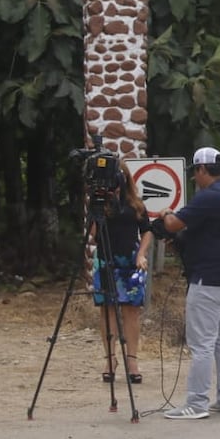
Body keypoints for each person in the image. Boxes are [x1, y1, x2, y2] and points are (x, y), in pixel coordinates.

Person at [153, 146, 220, 420]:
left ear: (203, 170)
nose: (195, 178)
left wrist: (165, 215)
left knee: (202, 343)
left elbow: (173, 224)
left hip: (210, 280)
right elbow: (205, 233)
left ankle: (196, 403)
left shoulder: (209, 197)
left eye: (196, 172)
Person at [88, 161, 154, 385]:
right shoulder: (100, 203)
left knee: (131, 310)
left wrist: (141, 254)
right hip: (106, 260)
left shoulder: (135, 204)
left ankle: (132, 359)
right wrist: (98, 205)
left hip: (130, 260)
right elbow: (93, 235)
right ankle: (110, 359)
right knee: (107, 310)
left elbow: (146, 231)